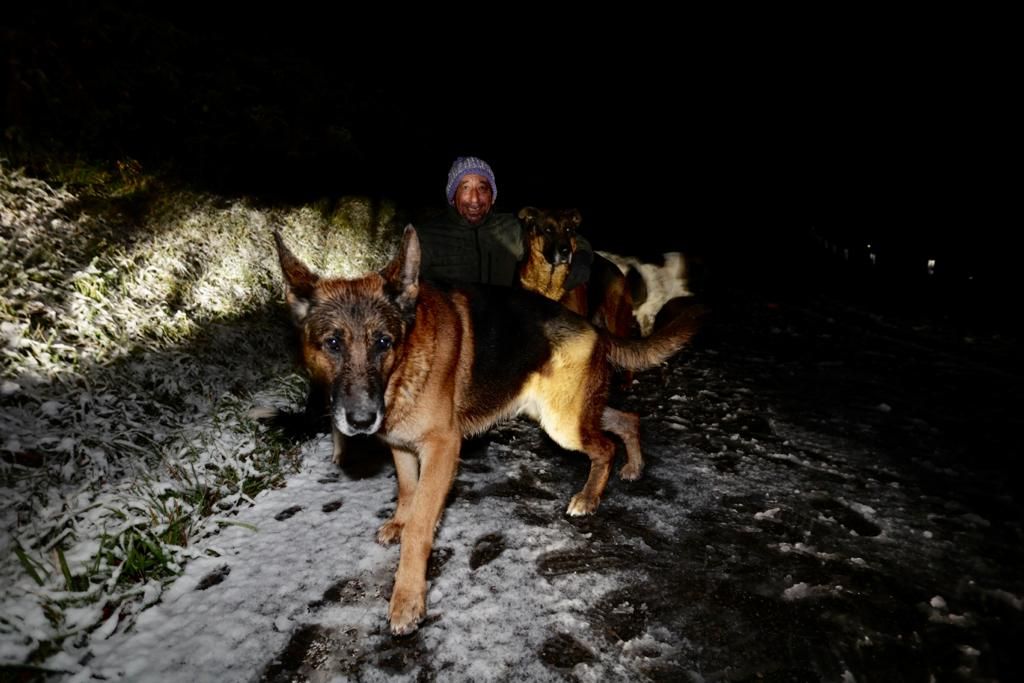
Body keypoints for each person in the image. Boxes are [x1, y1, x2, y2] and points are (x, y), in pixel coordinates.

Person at [416, 156, 592, 288]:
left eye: (483, 188)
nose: (475, 199)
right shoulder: (427, 236)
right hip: (453, 330)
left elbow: (560, 234)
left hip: (502, 327)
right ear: (453, 197)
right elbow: (398, 282)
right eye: (465, 188)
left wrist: (582, 256)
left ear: (492, 197)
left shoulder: (513, 228)